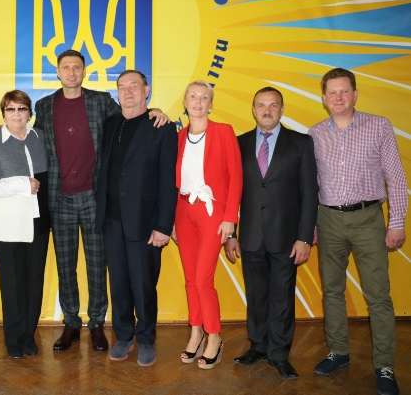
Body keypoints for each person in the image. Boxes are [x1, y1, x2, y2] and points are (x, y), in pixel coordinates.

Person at [34, 49, 168, 352]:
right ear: (58, 72)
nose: (71, 72)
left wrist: (156, 111)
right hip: (59, 198)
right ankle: (71, 322)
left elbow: (132, 116)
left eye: (77, 67)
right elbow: (31, 142)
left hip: (95, 198)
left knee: (98, 265)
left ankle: (96, 323)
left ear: (84, 72)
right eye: (66, 67)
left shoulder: (101, 102)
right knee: (65, 266)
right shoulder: (44, 106)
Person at [309, 68, 406, 395]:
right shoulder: (315, 133)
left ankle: (385, 366)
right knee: (332, 291)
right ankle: (338, 351)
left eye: (344, 91)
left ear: (355, 94)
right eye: (332, 92)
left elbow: (396, 177)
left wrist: (397, 222)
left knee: (378, 296)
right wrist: (310, 226)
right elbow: (311, 185)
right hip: (328, 220)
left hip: (368, 220)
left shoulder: (379, 126)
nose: (338, 97)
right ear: (324, 98)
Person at [224, 87, 318, 379]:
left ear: (282, 109)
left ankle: (279, 354)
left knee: (282, 298)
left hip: (286, 237)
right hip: (250, 236)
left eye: (273, 105)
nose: (267, 110)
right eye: (261, 105)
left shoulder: (301, 143)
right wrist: (231, 234)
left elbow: (309, 193)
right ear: (253, 110)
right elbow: (231, 192)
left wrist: (304, 237)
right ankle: (258, 346)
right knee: (256, 296)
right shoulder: (238, 143)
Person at [95, 70, 177, 367]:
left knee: (143, 285)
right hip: (111, 221)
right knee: (118, 283)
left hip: (145, 224)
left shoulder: (161, 127)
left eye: (134, 86)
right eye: (122, 87)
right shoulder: (110, 124)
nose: (128, 92)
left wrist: (163, 226)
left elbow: (168, 181)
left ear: (147, 90)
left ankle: (145, 339)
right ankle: (123, 336)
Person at [0, 90, 50, 359]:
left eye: (22, 109)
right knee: (12, 285)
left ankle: (29, 336)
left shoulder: (39, 138)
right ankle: (13, 338)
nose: (17, 114)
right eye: (11, 109)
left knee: (34, 283)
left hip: (38, 225)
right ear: (4, 114)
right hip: (6, 227)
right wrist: (20, 184)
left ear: (30, 113)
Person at [172, 81, 242, 370]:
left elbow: (236, 176)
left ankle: (214, 335)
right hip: (183, 211)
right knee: (190, 279)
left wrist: (230, 218)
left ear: (210, 104)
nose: (198, 102)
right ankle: (196, 331)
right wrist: (171, 221)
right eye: (193, 96)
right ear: (185, 102)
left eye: (204, 97)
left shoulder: (223, 132)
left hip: (213, 211)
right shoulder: (179, 136)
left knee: (203, 279)